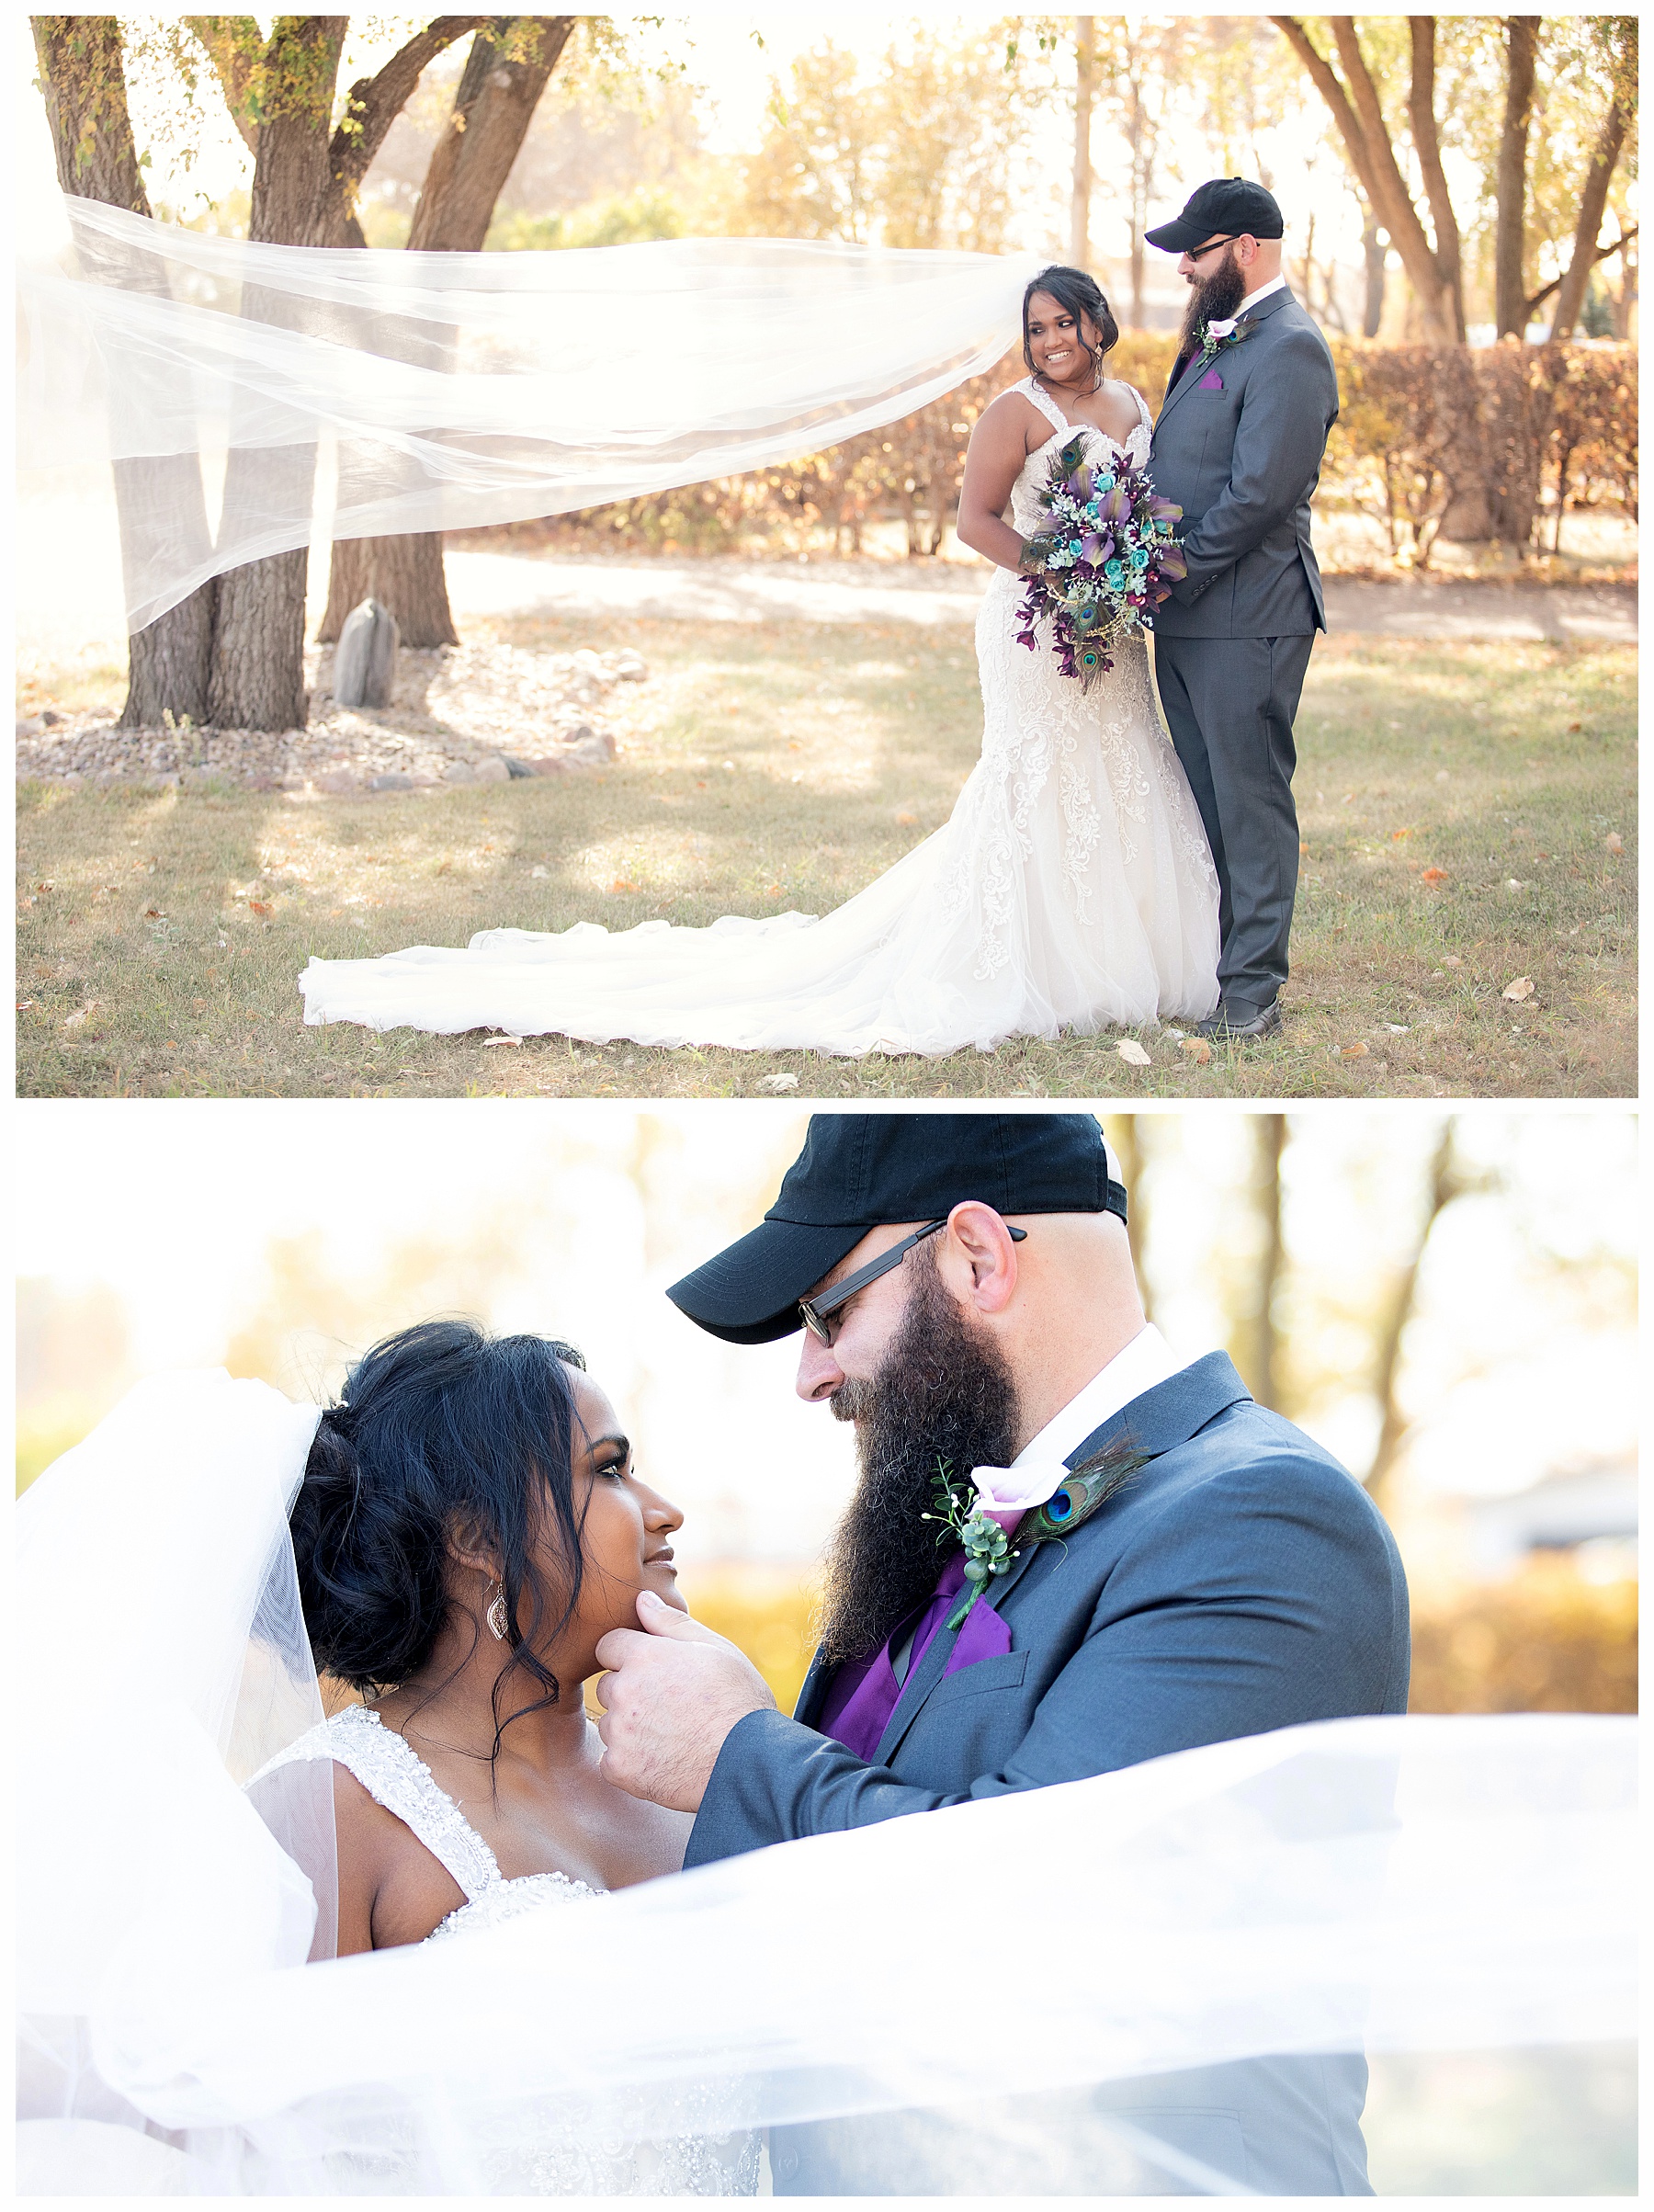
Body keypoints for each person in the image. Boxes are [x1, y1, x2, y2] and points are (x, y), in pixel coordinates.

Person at [593, 1111, 1410, 2192]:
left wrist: (733, 1753)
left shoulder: (1261, 1521)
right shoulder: (944, 1523)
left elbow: (1032, 1925)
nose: (810, 1371)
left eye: (830, 1312)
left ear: (977, 1257)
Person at [297, 269, 1219, 1054]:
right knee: (1035, 779)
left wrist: (1125, 574)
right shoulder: (1013, 414)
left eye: (1066, 322)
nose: (1053, 339)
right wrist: (1056, 570)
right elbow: (973, 520)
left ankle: (1125, 950)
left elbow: (1140, 504)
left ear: (1097, 321)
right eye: (1037, 328)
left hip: (1112, 628)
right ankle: (1024, 961)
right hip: (1034, 624)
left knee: (1123, 763)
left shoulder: (1134, 403)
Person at [257, 1322, 761, 2195]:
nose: (662, 1508)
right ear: (477, 1537)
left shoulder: (700, 1775)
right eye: (607, 1469)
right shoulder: (332, 1812)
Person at [1146, 178, 1341, 1043]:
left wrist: (1174, 564)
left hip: (1248, 614)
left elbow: (1262, 491)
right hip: (1184, 617)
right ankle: (1217, 963)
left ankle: (1253, 990)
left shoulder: (1292, 348)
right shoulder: (1213, 335)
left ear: (1246, 248)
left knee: (1251, 800)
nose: (1186, 265)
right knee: (1205, 801)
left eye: (1199, 249)